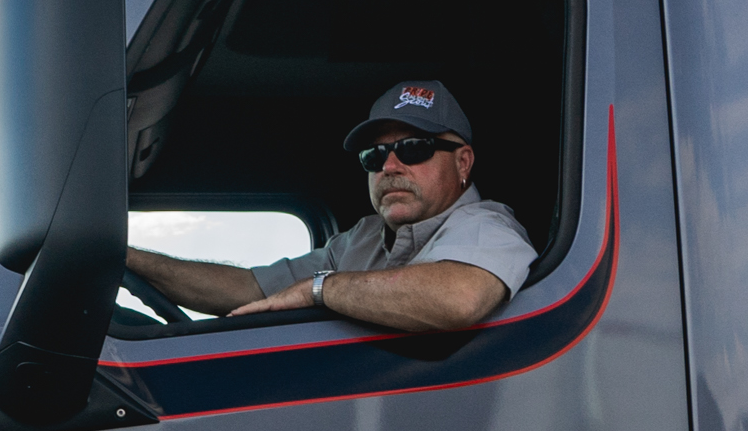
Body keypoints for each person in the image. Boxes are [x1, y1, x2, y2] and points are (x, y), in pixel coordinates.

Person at [125, 80, 536, 332]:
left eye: (413, 149)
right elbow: (253, 289)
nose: (390, 166)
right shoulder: (364, 237)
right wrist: (125, 258)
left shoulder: (488, 226)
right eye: (374, 157)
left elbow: (457, 298)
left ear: (463, 161)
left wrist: (319, 290)